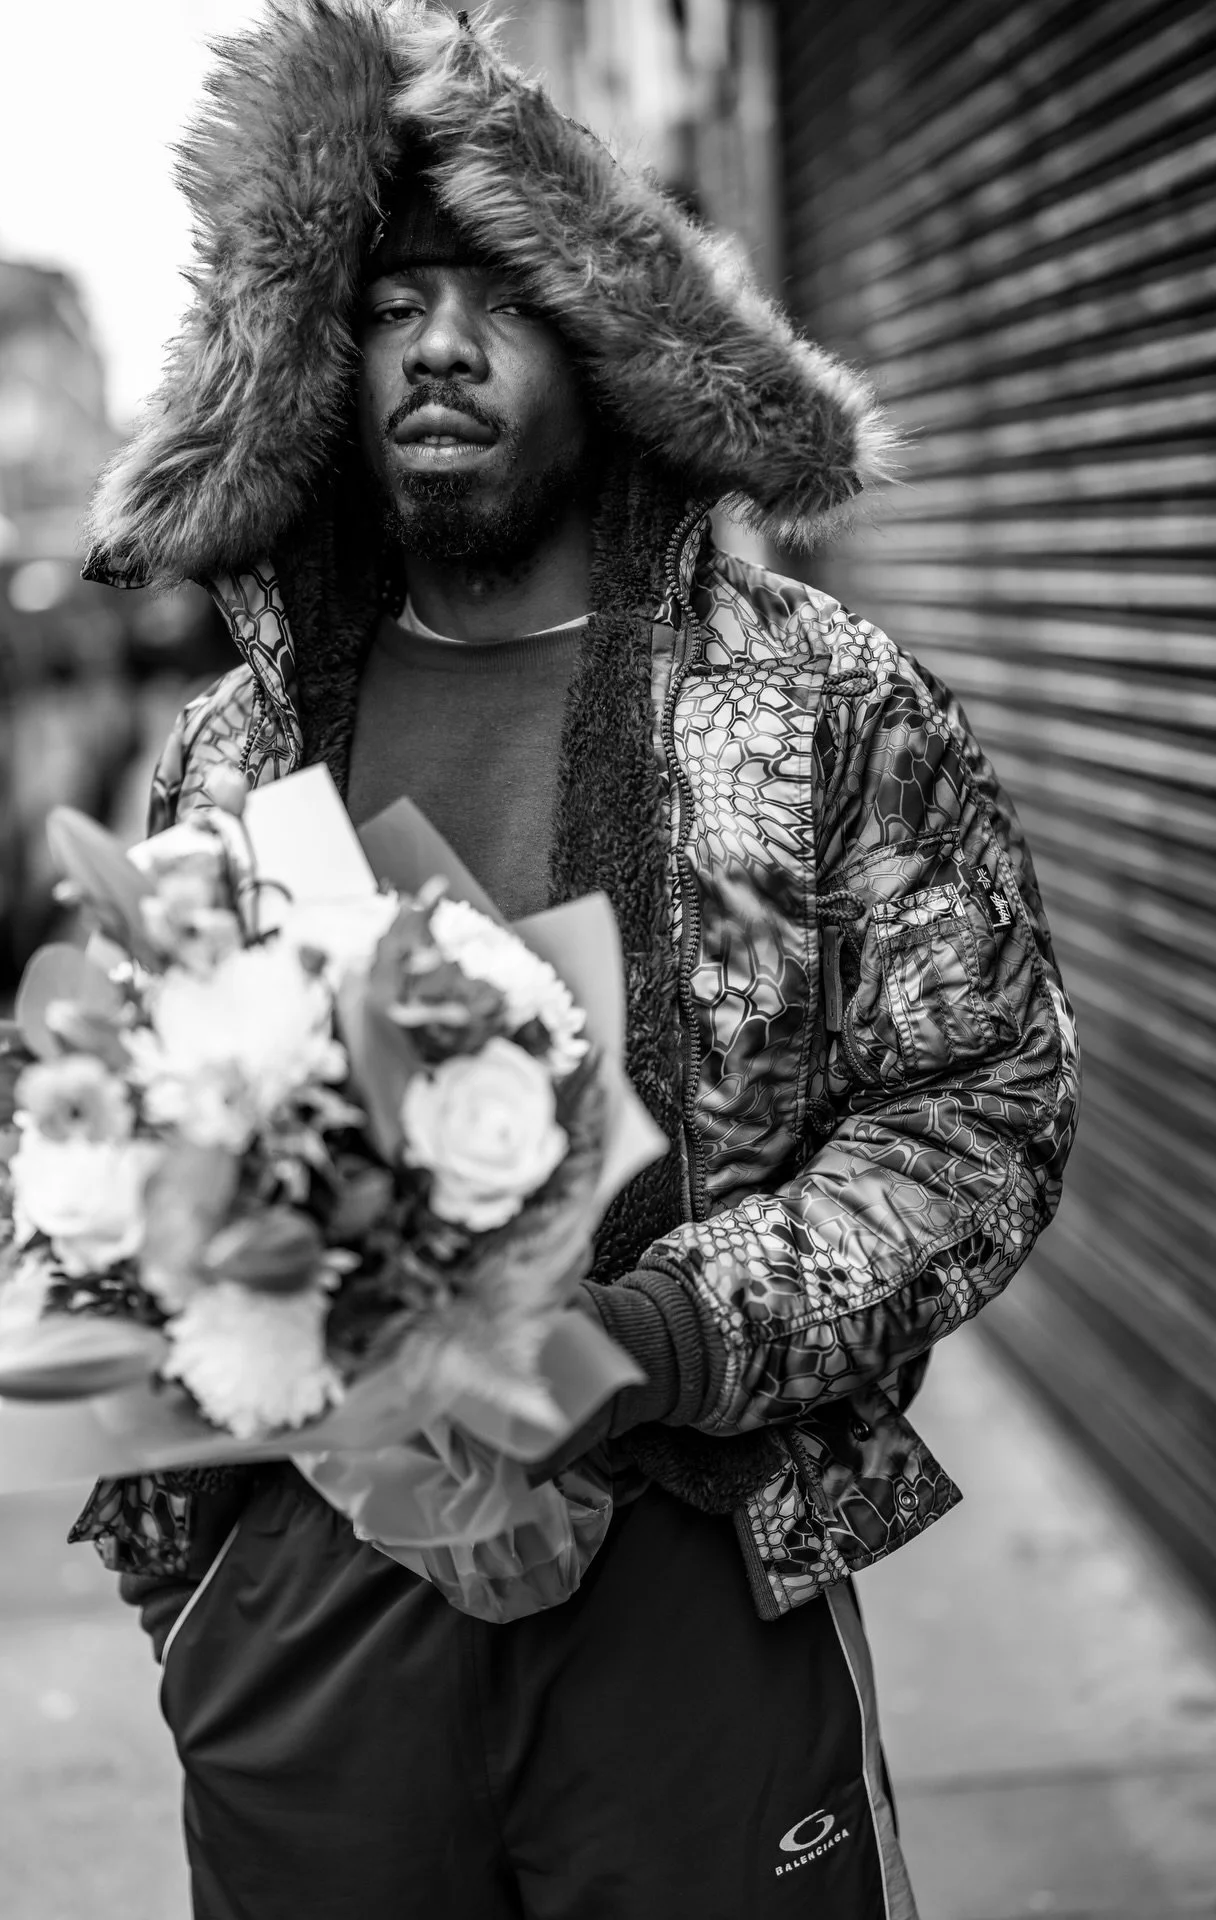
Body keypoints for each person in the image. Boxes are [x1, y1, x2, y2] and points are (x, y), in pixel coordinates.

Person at [75, 6, 1080, 1916]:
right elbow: (141, 1191)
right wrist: (187, 1590)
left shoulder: (816, 707)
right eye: (386, 308)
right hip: (312, 1609)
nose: (437, 347)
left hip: (686, 1588)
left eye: (501, 298)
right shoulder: (235, 749)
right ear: (314, 368)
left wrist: (647, 1341)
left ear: (609, 347)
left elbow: (980, 1113)